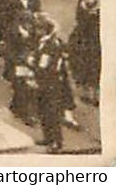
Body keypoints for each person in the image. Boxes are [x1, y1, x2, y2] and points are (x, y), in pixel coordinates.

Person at [31, 16, 75, 152]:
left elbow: (46, 66)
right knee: (43, 111)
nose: (37, 31)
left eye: (39, 29)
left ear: (45, 30)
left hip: (51, 83)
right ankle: (48, 138)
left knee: (52, 113)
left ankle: (56, 142)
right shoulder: (43, 42)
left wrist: (33, 67)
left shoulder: (51, 45)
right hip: (45, 82)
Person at [69, 0, 100, 105]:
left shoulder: (84, 19)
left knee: (85, 70)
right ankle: (94, 95)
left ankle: (87, 94)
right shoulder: (98, 18)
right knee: (94, 70)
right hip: (94, 47)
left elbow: (75, 36)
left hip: (85, 48)